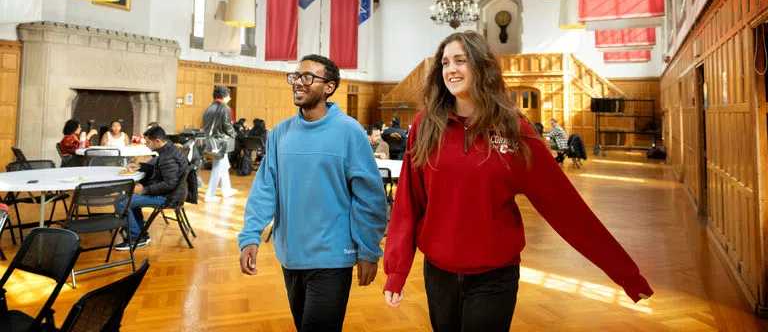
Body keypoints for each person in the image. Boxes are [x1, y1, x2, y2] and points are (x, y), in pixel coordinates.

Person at [382, 31, 652, 331]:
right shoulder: (425, 125)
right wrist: (397, 271)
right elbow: (408, 203)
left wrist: (625, 272)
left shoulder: (513, 128)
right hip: (438, 275)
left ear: (481, 66)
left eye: (460, 60)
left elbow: (565, 206)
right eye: (445, 62)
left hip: (495, 276)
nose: (450, 69)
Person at [238, 54, 388, 332]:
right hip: (290, 254)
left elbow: (370, 197)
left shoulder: (350, 131)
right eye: (296, 76)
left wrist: (368, 250)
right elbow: (264, 189)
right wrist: (250, 236)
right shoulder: (280, 133)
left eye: (308, 77)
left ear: (329, 87)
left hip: (333, 256)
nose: (298, 82)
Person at [115, 126, 187, 250]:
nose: (147, 145)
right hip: (171, 194)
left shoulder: (167, 156)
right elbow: (160, 169)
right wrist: (141, 167)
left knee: (121, 202)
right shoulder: (169, 149)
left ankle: (136, 236)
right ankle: (141, 234)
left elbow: (170, 184)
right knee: (126, 197)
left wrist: (144, 191)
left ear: (157, 141)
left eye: (148, 142)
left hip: (168, 197)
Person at [202, 85, 238, 202]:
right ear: (224, 96)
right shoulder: (225, 108)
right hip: (221, 142)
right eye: (229, 96)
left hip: (211, 141)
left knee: (223, 165)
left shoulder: (209, 108)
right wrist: (234, 134)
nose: (230, 99)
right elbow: (227, 125)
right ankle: (210, 194)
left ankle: (226, 189)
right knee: (218, 167)